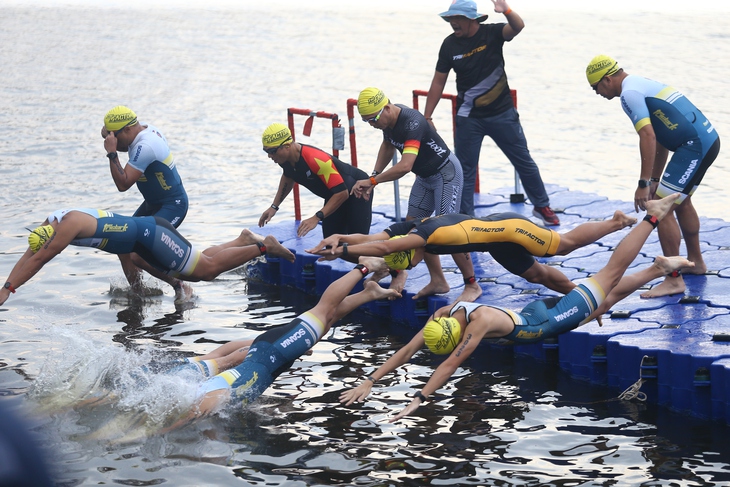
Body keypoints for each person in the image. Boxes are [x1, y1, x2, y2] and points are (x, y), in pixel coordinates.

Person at [339, 193, 691, 421]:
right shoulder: (447, 314)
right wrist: (371, 380)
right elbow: (406, 351)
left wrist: (417, 400)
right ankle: (656, 269)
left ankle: (652, 218)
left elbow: (448, 366)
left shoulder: (477, 327)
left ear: (457, 335)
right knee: (602, 297)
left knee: (609, 276)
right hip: (534, 314)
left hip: (549, 321)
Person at [164, 257, 401, 430]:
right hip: (273, 352)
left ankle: (364, 267)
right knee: (327, 320)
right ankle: (369, 293)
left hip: (274, 349)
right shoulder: (210, 399)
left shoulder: (206, 400)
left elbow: (187, 418)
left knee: (323, 310)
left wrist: (152, 434)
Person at [586, 55, 721, 298]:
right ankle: (696, 263)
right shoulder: (639, 83)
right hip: (706, 140)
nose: (596, 93)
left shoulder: (629, 95)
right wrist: (655, 179)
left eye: (595, 87)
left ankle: (673, 280)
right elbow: (660, 137)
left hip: (694, 146)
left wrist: (642, 184)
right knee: (680, 200)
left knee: (660, 208)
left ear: (607, 79)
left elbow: (647, 136)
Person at [422, 0, 558, 225]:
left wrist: (507, 11)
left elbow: (518, 27)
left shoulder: (492, 33)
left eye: (457, 18)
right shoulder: (449, 45)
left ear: (472, 19)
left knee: (523, 160)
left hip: (502, 114)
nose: (452, 23)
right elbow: (438, 82)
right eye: (450, 19)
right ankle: (466, 218)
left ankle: (542, 205)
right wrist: (427, 116)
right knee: (464, 169)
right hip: (468, 118)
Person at [307, 210, 637, 302]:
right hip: (495, 242)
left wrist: (344, 252)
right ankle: (584, 303)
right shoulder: (406, 230)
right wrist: (340, 239)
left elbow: (381, 249)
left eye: (410, 259)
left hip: (509, 228)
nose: (414, 262)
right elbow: (375, 239)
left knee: (562, 245)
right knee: (537, 275)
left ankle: (614, 222)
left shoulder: (424, 236)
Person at [0, 209, 295, 306]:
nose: (50, 244)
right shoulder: (49, 223)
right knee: (197, 262)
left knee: (205, 271)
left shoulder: (68, 225)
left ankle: (264, 246)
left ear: (53, 234)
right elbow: (30, 255)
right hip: (144, 240)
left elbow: (39, 261)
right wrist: (6, 285)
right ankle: (243, 240)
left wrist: (8, 291)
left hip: (153, 235)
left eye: (49, 242)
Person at [352, 86, 464, 297]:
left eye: (373, 119)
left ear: (386, 107)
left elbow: (404, 166)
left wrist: (373, 180)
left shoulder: (412, 122)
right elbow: (388, 145)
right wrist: (374, 176)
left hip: (446, 174)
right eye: (366, 121)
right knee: (415, 226)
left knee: (447, 231)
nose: (371, 124)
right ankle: (438, 280)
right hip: (424, 177)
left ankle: (472, 283)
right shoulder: (388, 121)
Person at [101, 105, 191, 300]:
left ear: (127, 129)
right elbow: (104, 131)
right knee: (122, 246)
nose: (114, 141)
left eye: (116, 137)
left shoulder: (146, 146)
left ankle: (179, 285)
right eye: (111, 137)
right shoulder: (140, 129)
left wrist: (112, 153)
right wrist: (109, 133)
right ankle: (138, 295)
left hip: (172, 205)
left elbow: (123, 184)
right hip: (153, 204)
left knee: (137, 254)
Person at [258, 123, 373, 241]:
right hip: (333, 196)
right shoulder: (284, 158)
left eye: (272, 151)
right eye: (266, 151)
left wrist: (316, 217)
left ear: (287, 146)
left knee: (357, 245)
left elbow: (342, 193)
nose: (269, 156)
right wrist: (274, 207)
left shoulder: (315, 159)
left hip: (357, 191)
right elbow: (288, 176)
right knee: (330, 246)